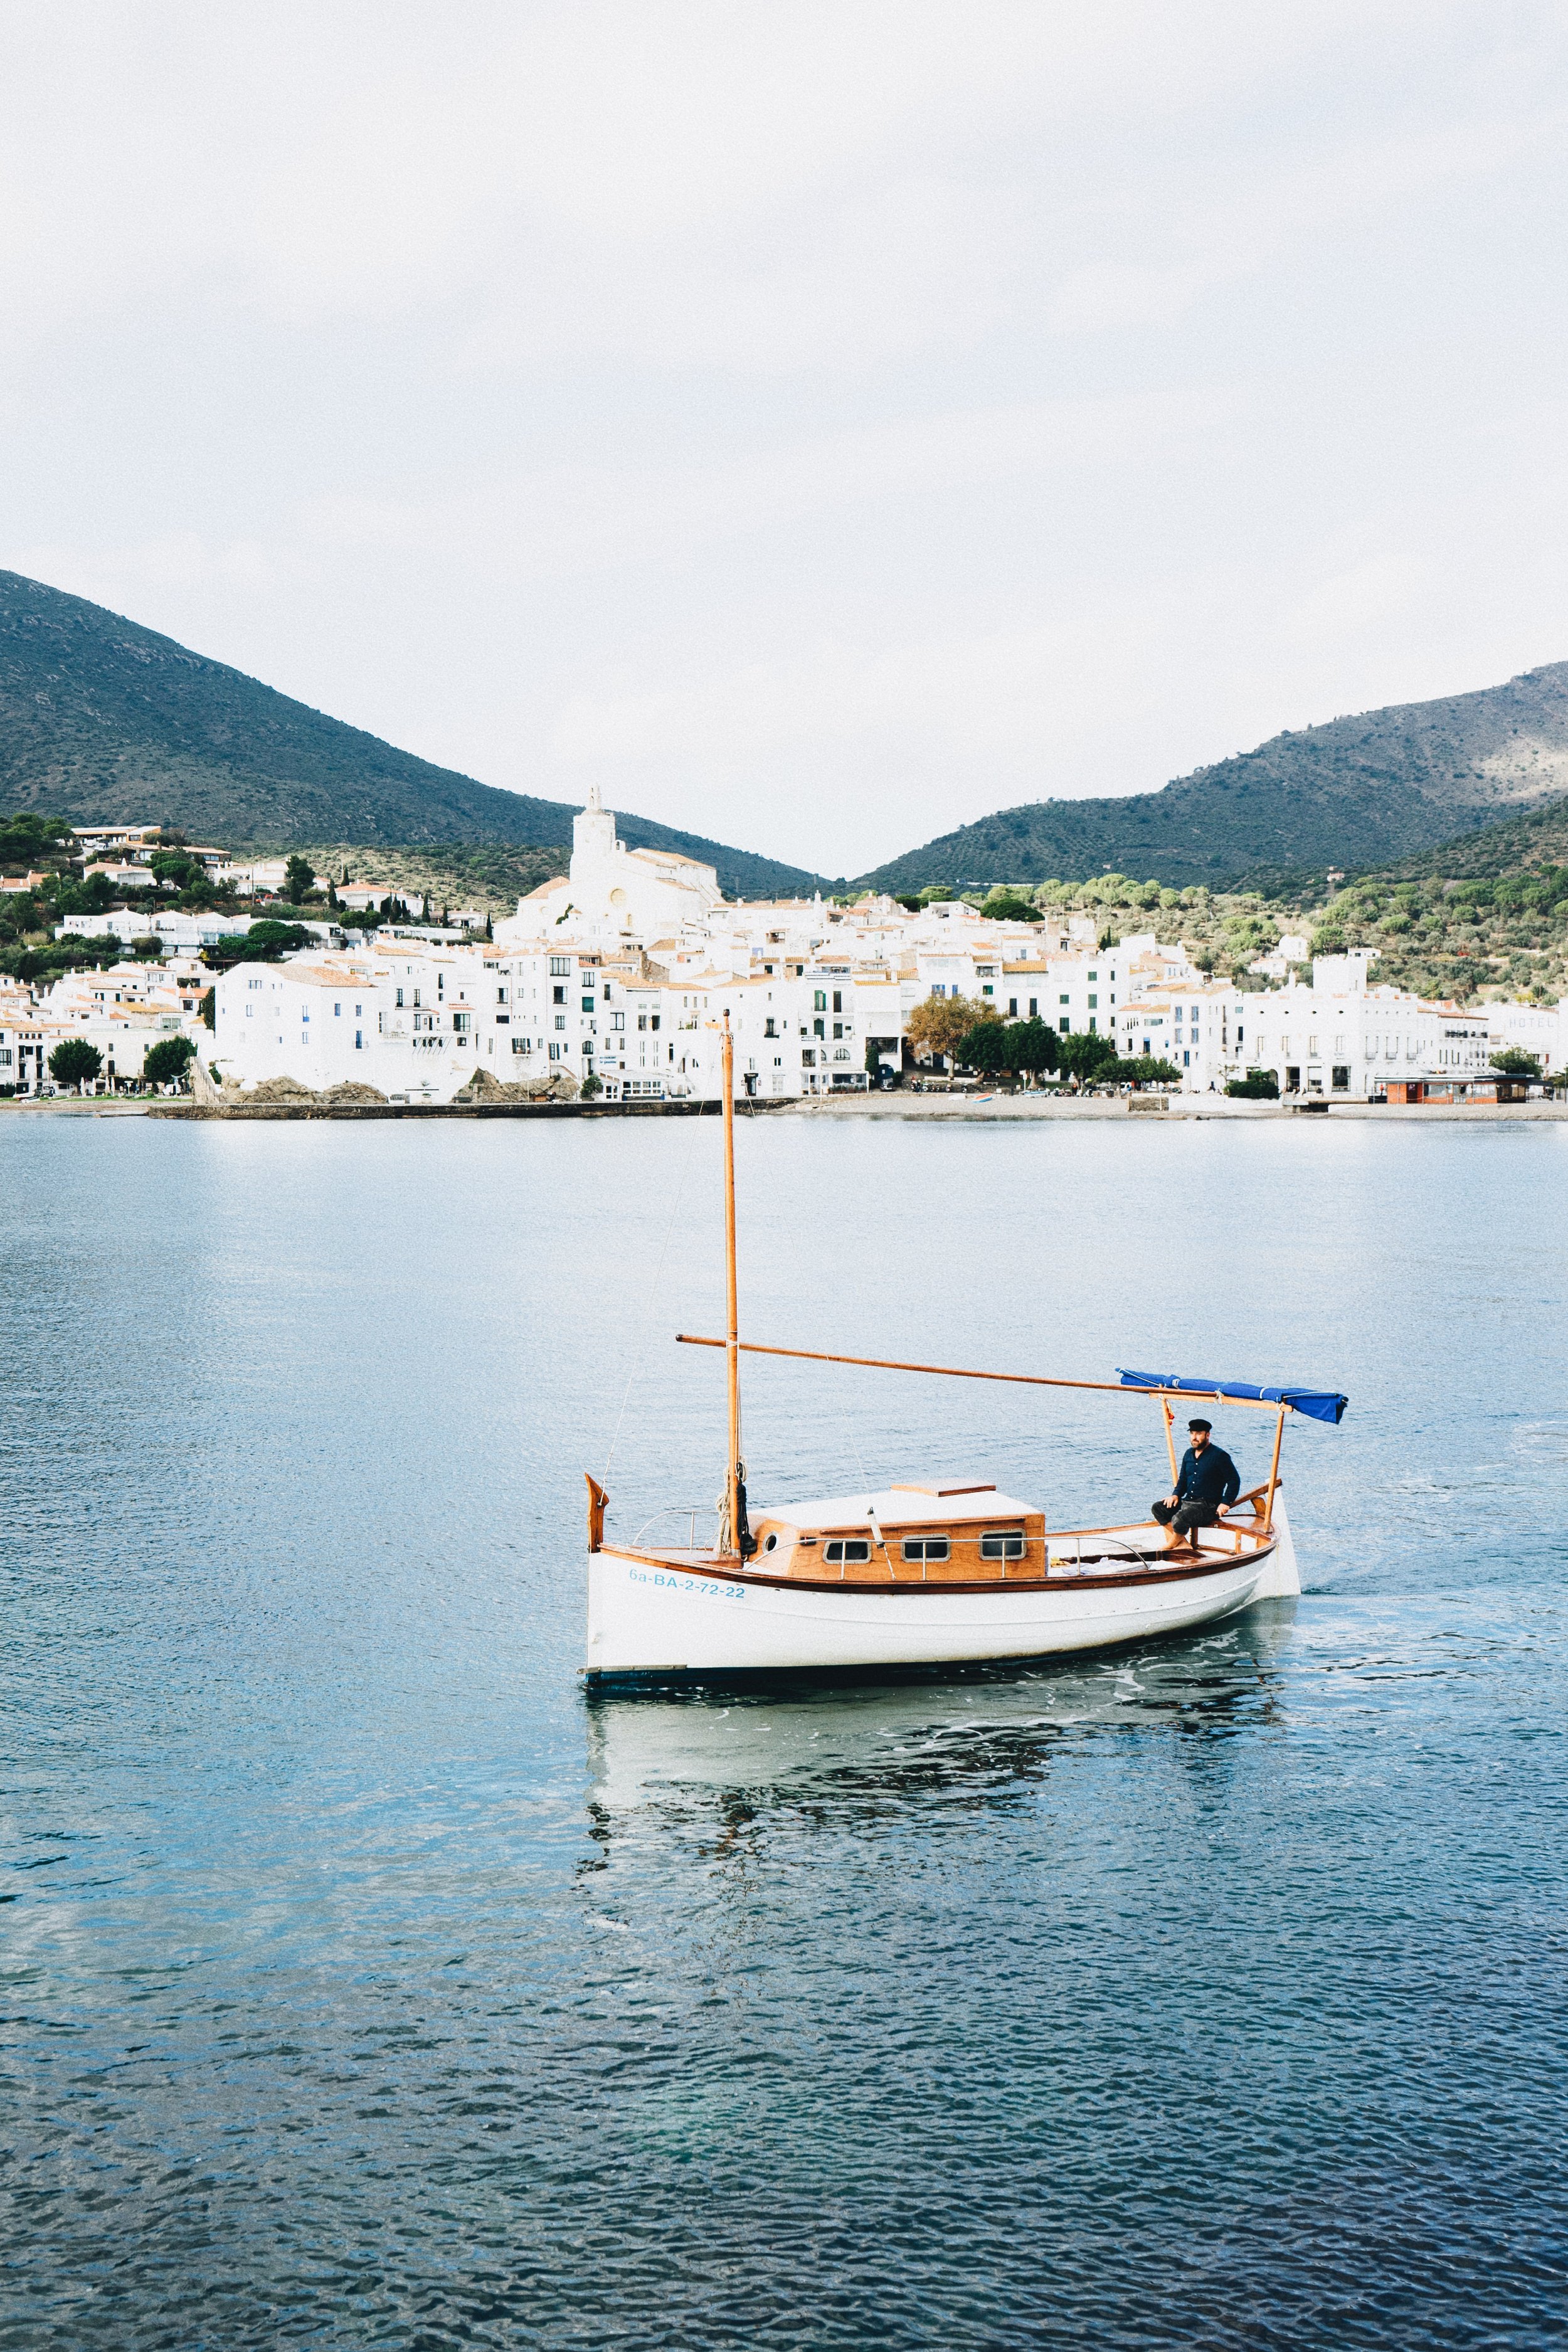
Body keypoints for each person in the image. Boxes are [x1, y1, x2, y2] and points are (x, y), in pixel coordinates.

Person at [1152, 1417, 1239, 1549]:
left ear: (1207, 1435)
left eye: (1198, 1434)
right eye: (1192, 1433)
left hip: (1208, 1506)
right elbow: (1183, 1479)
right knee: (1158, 1508)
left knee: (1180, 1518)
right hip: (1188, 1502)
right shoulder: (1188, 1454)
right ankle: (1183, 1544)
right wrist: (1175, 1495)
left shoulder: (1220, 1456)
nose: (1194, 1437)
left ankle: (1171, 1545)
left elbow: (1234, 1480)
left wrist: (1225, 1503)